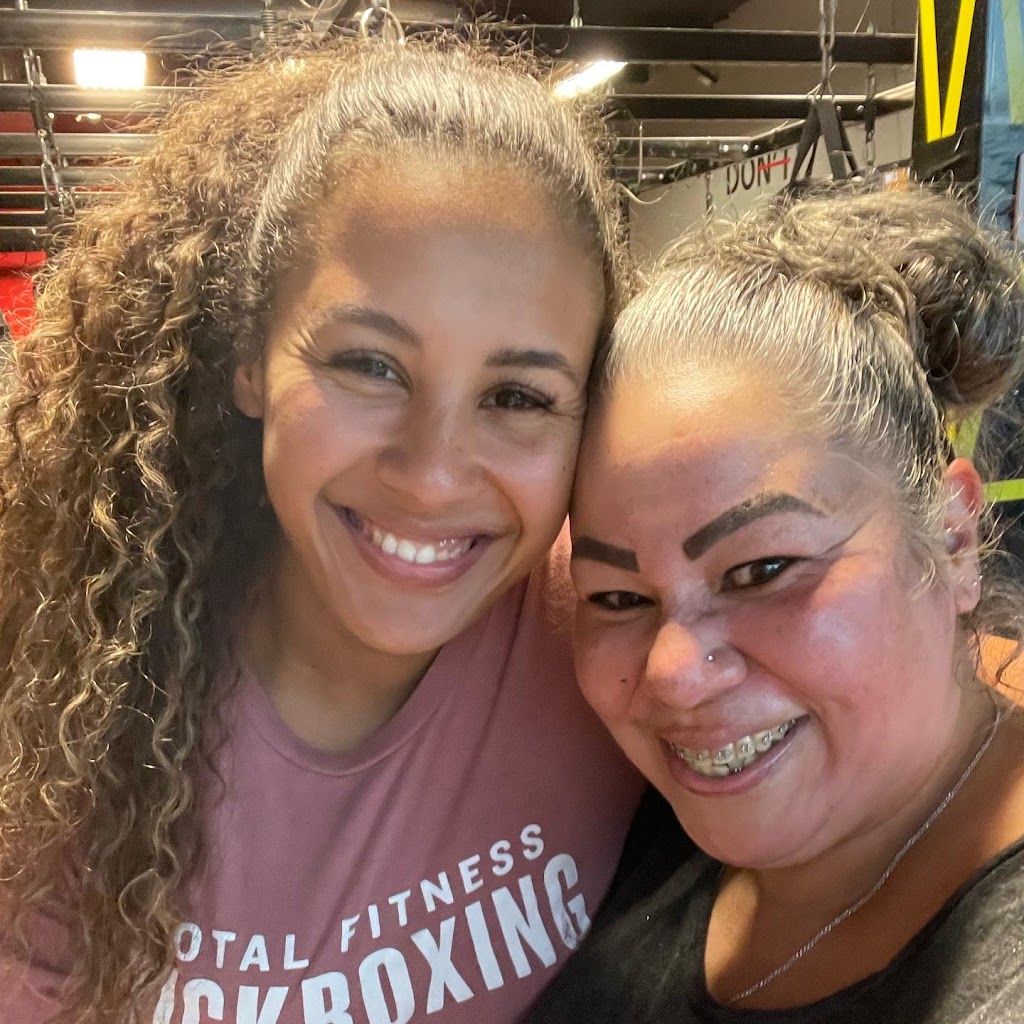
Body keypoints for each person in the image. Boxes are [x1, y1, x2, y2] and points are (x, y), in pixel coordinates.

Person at [0, 34, 644, 1024]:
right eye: (369, 366)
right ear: (252, 360)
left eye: (517, 395)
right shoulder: (62, 716)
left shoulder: (626, 631)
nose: (431, 474)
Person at [526, 184, 1024, 1023]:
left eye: (761, 570)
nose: (674, 673)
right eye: (617, 595)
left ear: (951, 537)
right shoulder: (650, 817)